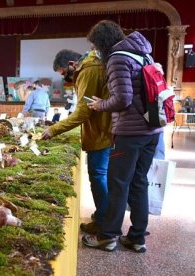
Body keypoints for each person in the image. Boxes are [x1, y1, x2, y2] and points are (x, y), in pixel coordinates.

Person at [82, 20, 163, 253]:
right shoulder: (143, 53)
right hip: (152, 130)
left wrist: (100, 105)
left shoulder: (118, 58)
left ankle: (107, 236)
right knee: (139, 182)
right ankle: (137, 238)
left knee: (118, 184)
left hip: (130, 132)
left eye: (96, 45)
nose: (95, 51)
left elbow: (122, 100)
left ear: (103, 42)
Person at [42, 49, 112, 234]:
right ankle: (103, 214)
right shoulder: (90, 66)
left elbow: (83, 111)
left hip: (102, 133)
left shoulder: (88, 70)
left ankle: (104, 223)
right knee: (101, 176)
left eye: (65, 73)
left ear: (72, 64)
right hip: (102, 130)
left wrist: (53, 129)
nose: (66, 78)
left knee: (98, 176)